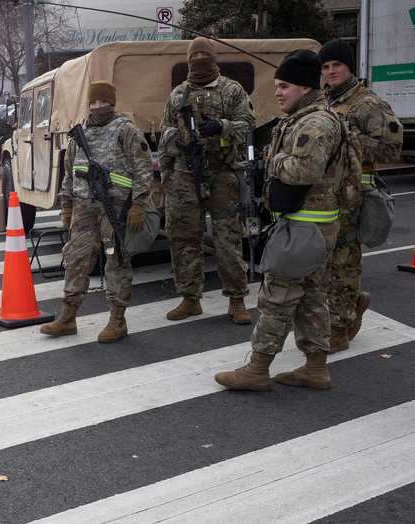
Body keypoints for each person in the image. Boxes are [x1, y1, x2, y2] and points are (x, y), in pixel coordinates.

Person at [215, 50, 348, 391]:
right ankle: (315, 368)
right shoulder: (306, 117)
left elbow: (304, 169)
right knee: (311, 298)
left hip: (305, 227)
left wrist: (270, 161)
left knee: (277, 296)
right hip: (313, 225)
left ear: (305, 87)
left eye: (284, 85)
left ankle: (257, 369)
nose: (278, 92)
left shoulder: (315, 122)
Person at [40, 81, 152, 343]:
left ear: (113, 103)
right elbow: (69, 171)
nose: (98, 107)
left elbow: (143, 169)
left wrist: (139, 204)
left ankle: (117, 319)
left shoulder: (126, 130)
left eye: (103, 102)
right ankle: (67, 317)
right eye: (93, 103)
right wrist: (66, 206)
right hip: (83, 207)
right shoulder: (80, 134)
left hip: (115, 208)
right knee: (76, 259)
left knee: (116, 261)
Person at [160, 37, 255, 325]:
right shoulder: (177, 95)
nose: (199, 58)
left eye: (205, 53)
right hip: (185, 175)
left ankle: (236, 300)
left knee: (229, 238)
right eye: (194, 54)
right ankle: (190, 299)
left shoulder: (231, 89)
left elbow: (248, 124)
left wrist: (221, 127)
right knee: (184, 238)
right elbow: (163, 132)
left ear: (215, 58)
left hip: (223, 173)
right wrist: (175, 147)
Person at [320, 39, 404, 352]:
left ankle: (339, 329)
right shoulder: (327, 102)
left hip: (355, 194)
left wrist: (347, 138)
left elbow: (391, 148)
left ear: (349, 66)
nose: (330, 71)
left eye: (336, 65)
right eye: (326, 67)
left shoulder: (368, 103)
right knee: (327, 262)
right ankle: (353, 302)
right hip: (326, 194)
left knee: (344, 262)